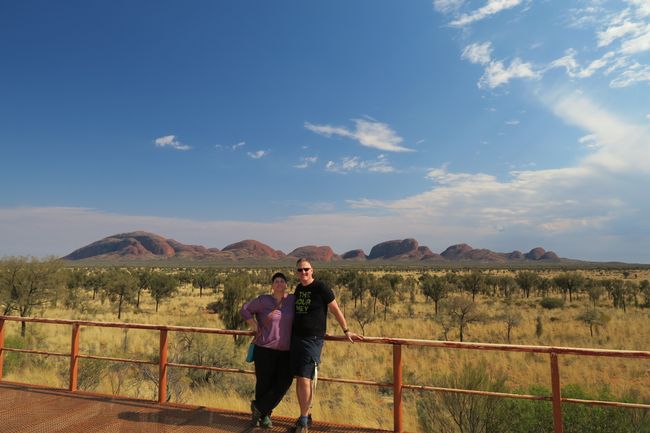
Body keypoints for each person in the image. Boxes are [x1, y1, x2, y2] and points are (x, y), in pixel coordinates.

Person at [291, 258, 362, 433]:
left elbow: (335, 309)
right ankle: (305, 416)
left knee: (305, 379)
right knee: (300, 379)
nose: (303, 273)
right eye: (300, 270)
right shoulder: (299, 289)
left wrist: (346, 330)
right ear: (296, 272)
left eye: (306, 269)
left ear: (312, 270)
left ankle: (304, 420)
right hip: (296, 339)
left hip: (312, 340)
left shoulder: (321, 288)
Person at [240, 272, 295, 428]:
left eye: (282, 281)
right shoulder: (263, 300)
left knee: (284, 381)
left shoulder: (292, 300)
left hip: (286, 350)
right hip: (264, 349)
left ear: (286, 285)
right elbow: (245, 310)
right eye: (276, 281)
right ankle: (265, 417)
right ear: (272, 285)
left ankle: (259, 408)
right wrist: (254, 326)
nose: (279, 283)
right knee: (264, 383)